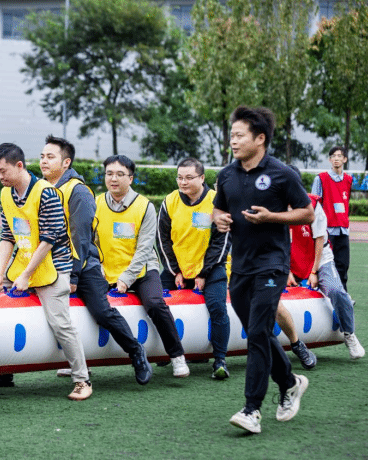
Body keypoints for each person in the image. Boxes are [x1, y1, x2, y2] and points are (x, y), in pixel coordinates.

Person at [213, 106, 314, 434]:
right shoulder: (226, 175)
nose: (233, 141)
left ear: (260, 139)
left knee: (257, 332)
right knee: (258, 332)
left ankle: (251, 409)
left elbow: (307, 213)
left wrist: (272, 217)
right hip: (240, 266)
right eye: (232, 135)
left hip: (272, 263)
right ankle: (290, 382)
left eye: (239, 135)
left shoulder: (282, 173)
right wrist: (220, 219)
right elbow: (218, 209)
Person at [40, 135, 152, 385]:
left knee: (101, 311)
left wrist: (73, 275)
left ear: (66, 162)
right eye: (42, 156)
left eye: (50, 157)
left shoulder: (78, 191)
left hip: (81, 267)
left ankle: (136, 352)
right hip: (49, 265)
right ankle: (2, 372)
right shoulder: (42, 188)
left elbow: (81, 239)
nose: (44, 161)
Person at [0, 142, 92, 401]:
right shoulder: (5, 194)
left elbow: (49, 239)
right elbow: (7, 236)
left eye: (3, 171)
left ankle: (82, 379)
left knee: (61, 324)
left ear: (19, 166)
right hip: (23, 263)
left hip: (53, 266)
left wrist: (26, 276)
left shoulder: (46, 193)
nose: (0, 177)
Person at [95, 154, 190, 378]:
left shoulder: (144, 206)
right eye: (109, 174)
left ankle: (177, 356)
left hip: (141, 270)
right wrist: (98, 268)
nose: (113, 179)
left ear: (131, 178)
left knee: (155, 304)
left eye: (120, 174)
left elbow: (145, 248)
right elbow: (92, 242)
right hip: (106, 269)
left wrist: (126, 278)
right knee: (86, 302)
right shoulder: (96, 203)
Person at [157, 157, 231, 380]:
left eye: (189, 177)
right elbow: (162, 240)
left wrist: (203, 273)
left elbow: (221, 242)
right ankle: (164, 351)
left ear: (202, 178)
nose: (183, 182)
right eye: (180, 177)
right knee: (155, 301)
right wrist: (175, 271)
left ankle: (220, 360)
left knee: (217, 308)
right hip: (177, 269)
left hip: (211, 268)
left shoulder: (217, 202)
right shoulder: (170, 201)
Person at [289, 165, 365, 360]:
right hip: (291, 263)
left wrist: (314, 271)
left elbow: (320, 240)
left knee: (336, 291)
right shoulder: (277, 208)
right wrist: (286, 271)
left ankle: (349, 334)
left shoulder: (313, 205)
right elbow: (279, 244)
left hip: (320, 260)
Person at [311, 146, 352, 291]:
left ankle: (344, 296)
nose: (336, 159)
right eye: (333, 156)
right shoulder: (321, 179)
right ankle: (321, 295)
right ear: (329, 160)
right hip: (326, 231)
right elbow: (314, 204)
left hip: (343, 230)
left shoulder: (348, 179)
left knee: (343, 266)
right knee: (324, 265)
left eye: (339, 156)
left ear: (345, 159)